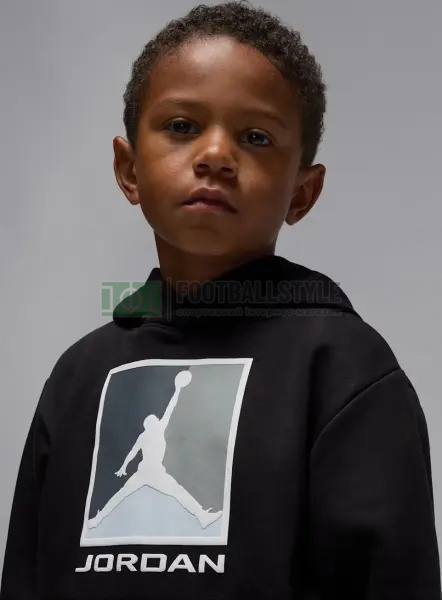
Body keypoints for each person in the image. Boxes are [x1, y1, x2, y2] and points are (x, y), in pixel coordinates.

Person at [1, 1, 440, 599]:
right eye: (182, 126)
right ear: (129, 170)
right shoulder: (78, 375)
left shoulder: (344, 368)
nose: (215, 155)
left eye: (255, 137)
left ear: (302, 194)